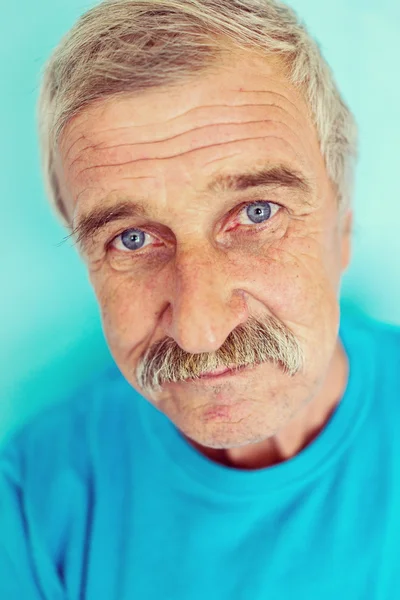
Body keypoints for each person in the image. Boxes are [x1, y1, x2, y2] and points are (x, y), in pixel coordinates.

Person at [1, 0, 399, 597]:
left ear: (341, 227)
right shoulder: (31, 504)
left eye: (255, 213)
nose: (200, 330)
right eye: (130, 239)